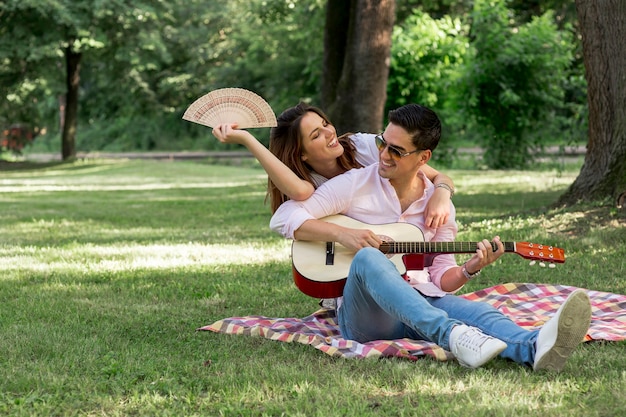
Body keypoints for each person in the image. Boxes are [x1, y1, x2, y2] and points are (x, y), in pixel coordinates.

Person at [269, 103, 592, 370]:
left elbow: (441, 278)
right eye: (383, 144)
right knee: (369, 257)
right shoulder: (354, 183)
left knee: (481, 313)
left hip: (419, 301)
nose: (383, 156)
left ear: (422, 158)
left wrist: (471, 268)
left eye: (396, 151)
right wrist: (346, 235)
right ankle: (453, 336)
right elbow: (285, 216)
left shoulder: (439, 209)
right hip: (367, 318)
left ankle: (535, 348)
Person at [211, 103, 455, 228]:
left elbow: (438, 176)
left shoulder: (367, 146)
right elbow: (299, 193)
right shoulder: (307, 182)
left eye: (325, 123)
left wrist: (442, 195)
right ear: (302, 154)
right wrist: (246, 138)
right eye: (316, 135)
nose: (330, 133)